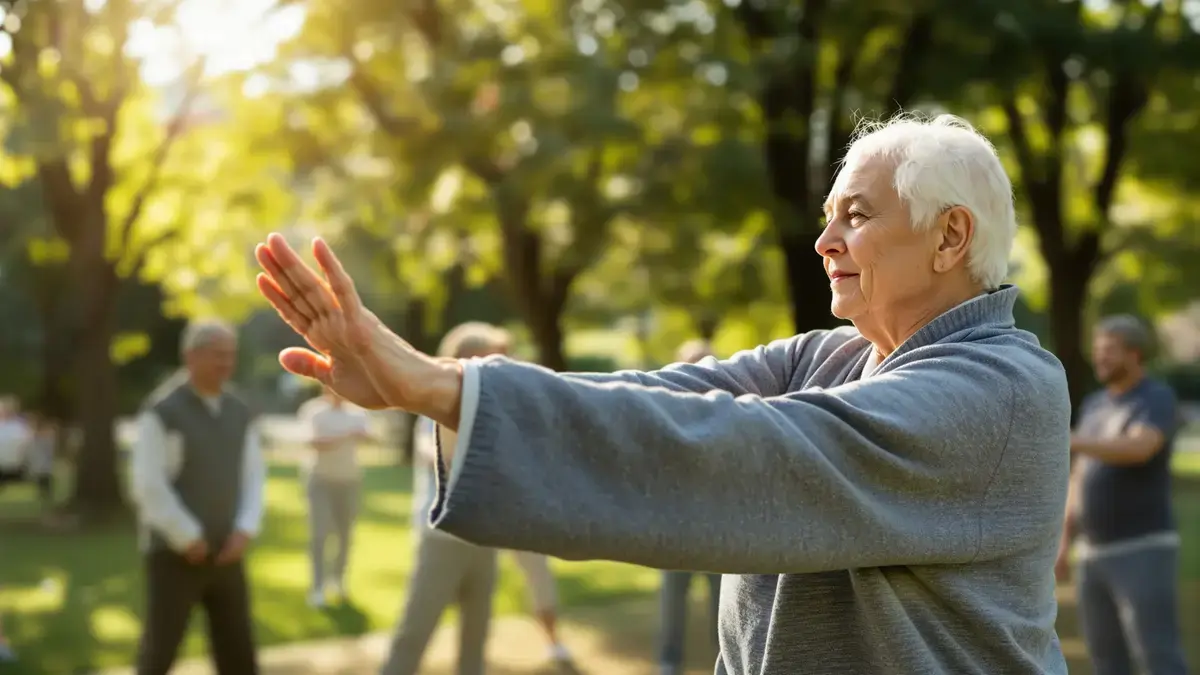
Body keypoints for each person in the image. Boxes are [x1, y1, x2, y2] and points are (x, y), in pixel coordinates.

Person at [254, 112, 1072, 674]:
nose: (824, 242)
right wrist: (433, 392)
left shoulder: (1001, 391)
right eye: (827, 216)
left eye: (855, 215)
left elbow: (752, 456)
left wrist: (443, 386)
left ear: (951, 236)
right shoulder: (833, 355)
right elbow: (661, 392)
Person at [129, 319, 266, 675]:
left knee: (238, 653)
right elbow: (147, 483)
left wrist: (245, 529)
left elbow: (253, 475)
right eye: (218, 355)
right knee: (159, 653)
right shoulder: (162, 412)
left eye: (231, 355)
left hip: (228, 551)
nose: (226, 363)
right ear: (191, 356)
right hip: (174, 555)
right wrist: (186, 536)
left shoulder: (239, 410)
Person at [1055, 315, 1187, 675]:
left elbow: (1140, 448)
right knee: (1105, 659)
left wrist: (1071, 439)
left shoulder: (1155, 398)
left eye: (1110, 350)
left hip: (1142, 546)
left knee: (1157, 653)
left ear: (1135, 353)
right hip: (1092, 554)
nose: (1100, 358)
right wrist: (1064, 541)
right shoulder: (1095, 405)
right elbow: (1080, 476)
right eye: (1097, 351)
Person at [377, 322, 508, 675]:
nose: (504, 366)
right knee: (415, 632)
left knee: (476, 637)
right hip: (441, 539)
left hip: (484, 539)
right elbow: (439, 458)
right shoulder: (435, 406)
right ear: (468, 359)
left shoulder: (498, 411)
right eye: (495, 357)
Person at [658, 339, 723, 675]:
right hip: (677, 528)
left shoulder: (730, 416)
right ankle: (669, 666)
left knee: (721, 605)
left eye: (705, 363)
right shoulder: (668, 414)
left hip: (718, 530)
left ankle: (723, 663)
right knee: (672, 602)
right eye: (692, 365)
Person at [298, 386, 372, 608]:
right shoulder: (313, 411)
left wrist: (363, 436)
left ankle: (338, 582)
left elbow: (371, 439)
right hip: (320, 480)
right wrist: (346, 436)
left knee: (345, 535)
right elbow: (314, 443)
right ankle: (317, 587)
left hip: (349, 481)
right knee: (319, 535)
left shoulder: (358, 413)